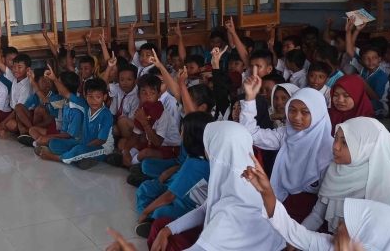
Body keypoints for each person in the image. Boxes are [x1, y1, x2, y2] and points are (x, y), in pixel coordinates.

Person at [149, 121, 285, 251]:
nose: (205, 148)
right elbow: (205, 209)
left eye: (209, 143)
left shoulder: (235, 203)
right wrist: (168, 230)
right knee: (162, 226)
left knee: (166, 240)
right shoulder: (241, 179)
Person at [243, 156, 390, 251]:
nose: (338, 223)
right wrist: (266, 192)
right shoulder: (331, 245)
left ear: (365, 240)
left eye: (349, 224)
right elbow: (292, 231)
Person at [241, 77, 333, 223]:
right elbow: (250, 134)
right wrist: (250, 98)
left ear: (318, 114)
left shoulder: (330, 151)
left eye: (305, 112)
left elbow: (322, 207)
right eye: (292, 110)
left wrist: (300, 234)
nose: (296, 117)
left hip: (310, 215)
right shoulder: (286, 134)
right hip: (280, 203)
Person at [298, 117, 390, 233]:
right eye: (335, 139)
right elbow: (318, 214)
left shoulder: (386, 190)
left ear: (365, 149)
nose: (335, 146)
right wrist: (299, 235)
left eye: (345, 142)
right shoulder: (336, 169)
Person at [135, 112, 212, 238]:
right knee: (146, 187)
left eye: (182, 131)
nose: (180, 135)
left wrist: (145, 211)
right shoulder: (198, 153)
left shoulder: (198, 163)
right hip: (180, 195)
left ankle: (151, 219)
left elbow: (169, 197)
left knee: (162, 211)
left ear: (191, 136)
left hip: (192, 207)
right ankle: (149, 221)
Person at [39, 67, 114, 170]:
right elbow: (66, 94)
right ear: (85, 95)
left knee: (78, 149)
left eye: (97, 97)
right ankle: (81, 157)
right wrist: (55, 79)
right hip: (84, 142)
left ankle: (58, 157)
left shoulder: (106, 114)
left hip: (102, 147)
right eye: (90, 96)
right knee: (54, 143)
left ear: (104, 97)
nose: (93, 101)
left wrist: (84, 147)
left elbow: (101, 140)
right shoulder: (85, 105)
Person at [0, 27, 34, 138]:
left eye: (19, 67)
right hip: (15, 111)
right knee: (10, 123)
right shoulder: (14, 78)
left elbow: (18, 109)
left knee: (11, 124)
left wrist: (2, 124)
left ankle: (27, 131)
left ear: (27, 69)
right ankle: (11, 131)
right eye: (13, 67)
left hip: (26, 114)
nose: (15, 70)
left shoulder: (27, 85)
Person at [24, 71, 82, 149]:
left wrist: (49, 136)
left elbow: (70, 135)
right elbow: (44, 99)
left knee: (43, 140)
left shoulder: (76, 108)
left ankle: (39, 143)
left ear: (64, 87)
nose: (56, 85)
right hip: (60, 132)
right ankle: (40, 143)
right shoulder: (62, 99)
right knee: (32, 130)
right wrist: (34, 83)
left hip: (70, 137)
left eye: (58, 83)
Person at [345, 19, 389, 118]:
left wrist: (362, 82)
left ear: (380, 59)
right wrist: (350, 31)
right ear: (361, 61)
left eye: (374, 58)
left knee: (359, 106)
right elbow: (349, 50)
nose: (371, 61)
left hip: (380, 106)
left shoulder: (381, 76)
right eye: (366, 58)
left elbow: (376, 98)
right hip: (365, 101)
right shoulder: (362, 68)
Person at [14, 67, 63, 138]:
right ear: (37, 84)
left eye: (50, 81)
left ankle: (31, 131)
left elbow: (51, 119)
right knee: (18, 107)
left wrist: (34, 127)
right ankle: (31, 131)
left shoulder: (54, 97)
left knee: (40, 109)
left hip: (47, 125)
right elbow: (19, 112)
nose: (48, 84)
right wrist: (20, 125)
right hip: (35, 124)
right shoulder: (35, 96)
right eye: (44, 82)